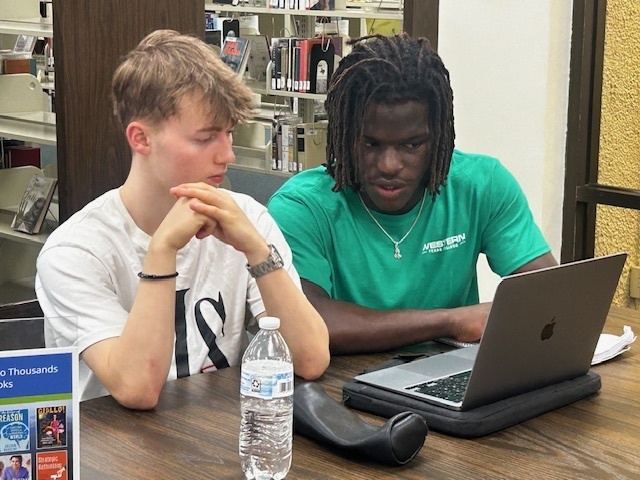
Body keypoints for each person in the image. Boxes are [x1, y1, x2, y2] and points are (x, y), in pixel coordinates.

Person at [35, 30, 330, 408]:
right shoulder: (73, 251)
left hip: (216, 444)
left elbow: (310, 360)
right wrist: (162, 250)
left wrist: (257, 250)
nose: (228, 155)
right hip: (116, 458)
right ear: (141, 139)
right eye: (206, 138)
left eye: (229, 134)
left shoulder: (248, 218)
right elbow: (138, 389)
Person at [267, 33, 557, 355]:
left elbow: (546, 292)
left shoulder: (483, 184)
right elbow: (310, 321)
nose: (389, 165)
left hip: (451, 381)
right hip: (340, 386)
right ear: (343, 134)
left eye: (412, 145)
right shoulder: (301, 207)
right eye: (370, 143)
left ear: (439, 138)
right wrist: (450, 321)